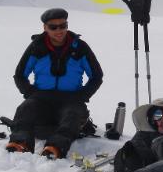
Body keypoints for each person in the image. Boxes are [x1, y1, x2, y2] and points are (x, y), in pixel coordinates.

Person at [7, 8, 103, 159]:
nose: (59, 30)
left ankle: (55, 147)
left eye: (63, 25)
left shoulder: (80, 48)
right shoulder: (36, 47)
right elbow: (20, 75)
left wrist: (82, 96)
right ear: (45, 28)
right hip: (42, 98)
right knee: (26, 108)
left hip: (71, 99)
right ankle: (20, 143)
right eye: (53, 27)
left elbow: (97, 76)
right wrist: (30, 93)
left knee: (73, 115)